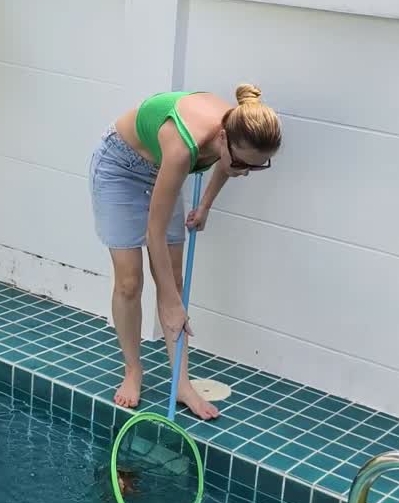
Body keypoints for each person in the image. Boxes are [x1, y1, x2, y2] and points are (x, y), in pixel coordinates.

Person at [88, 85, 283, 420]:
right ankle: (133, 370)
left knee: (174, 281)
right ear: (223, 138)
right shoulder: (183, 147)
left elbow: (225, 164)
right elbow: (155, 232)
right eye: (242, 163)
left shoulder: (237, 127)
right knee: (130, 281)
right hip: (120, 168)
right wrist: (170, 303)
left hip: (161, 167)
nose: (244, 171)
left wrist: (205, 205)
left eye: (256, 166)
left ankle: (181, 384)